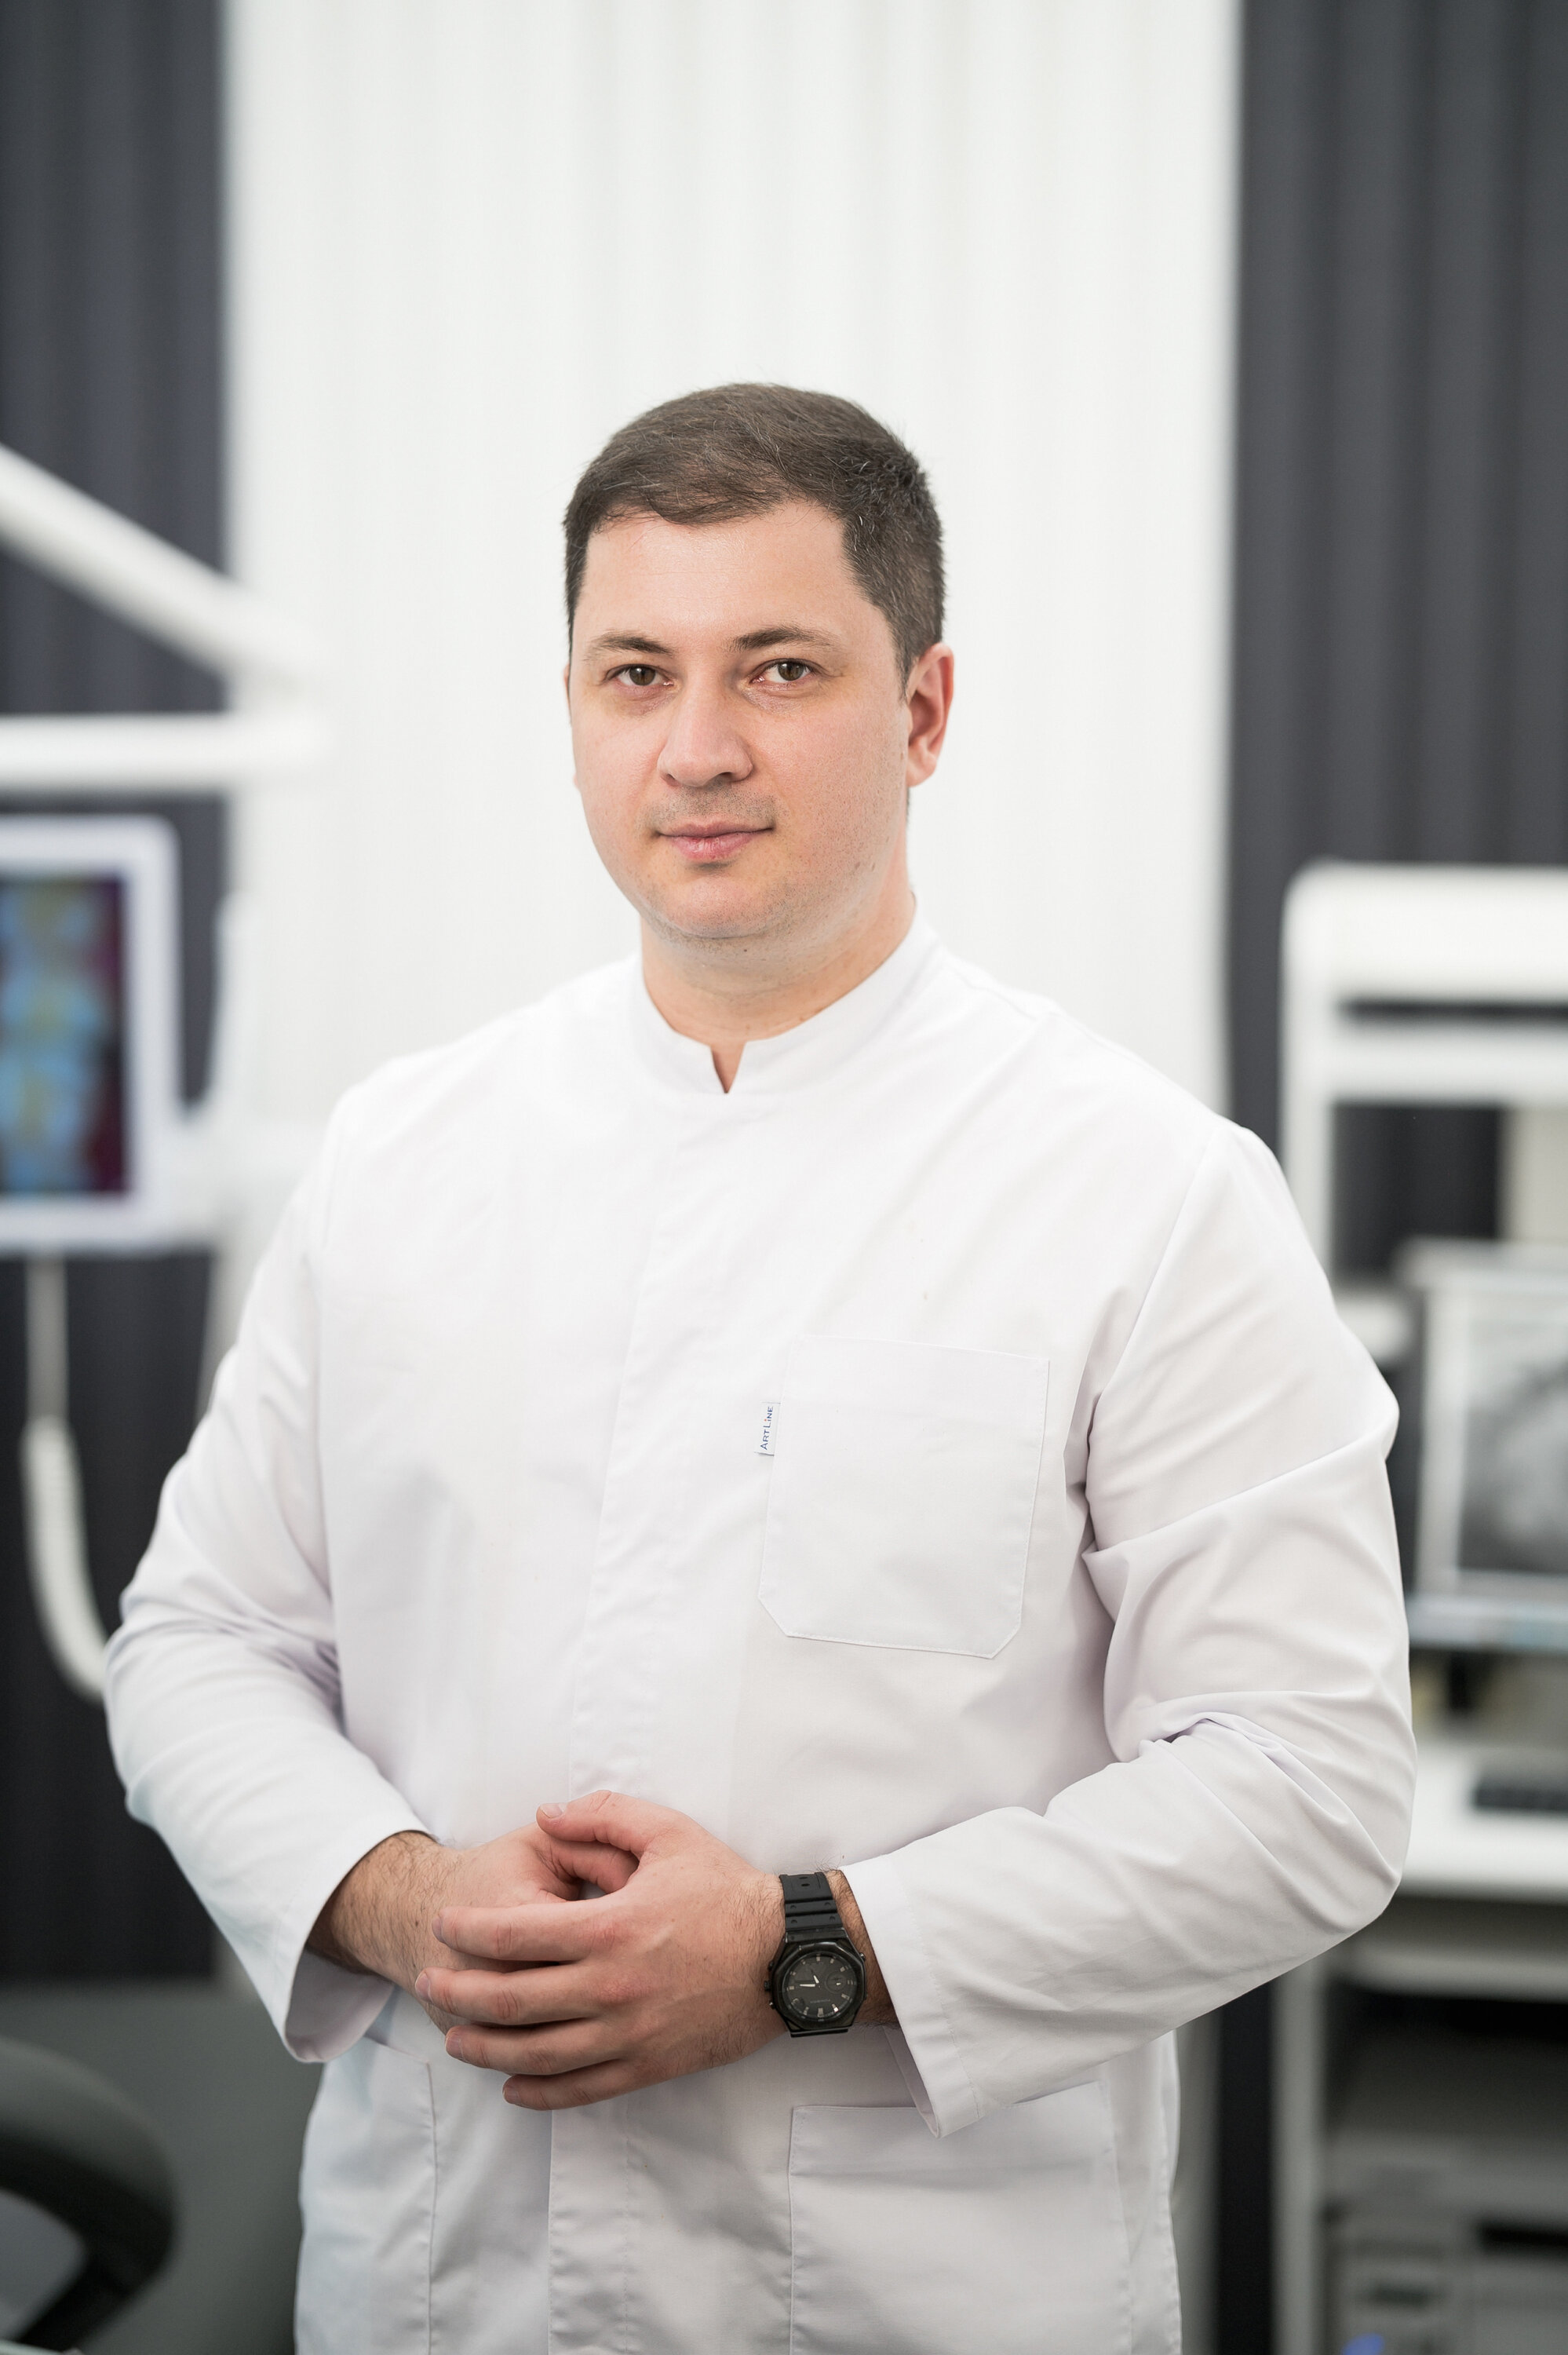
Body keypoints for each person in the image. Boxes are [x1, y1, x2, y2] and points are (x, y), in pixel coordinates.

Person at [105, 384, 1414, 2355]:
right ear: (572, 707)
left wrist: (809, 1951)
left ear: (926, 710)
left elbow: (1310, 1781)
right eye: (635, 672)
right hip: (440, 2283)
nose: (697, 747)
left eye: (780, 669)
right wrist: (397, 1896)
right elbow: (198, 1640)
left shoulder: (1150, 1196)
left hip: (929, 2300)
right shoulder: (399, 1160)